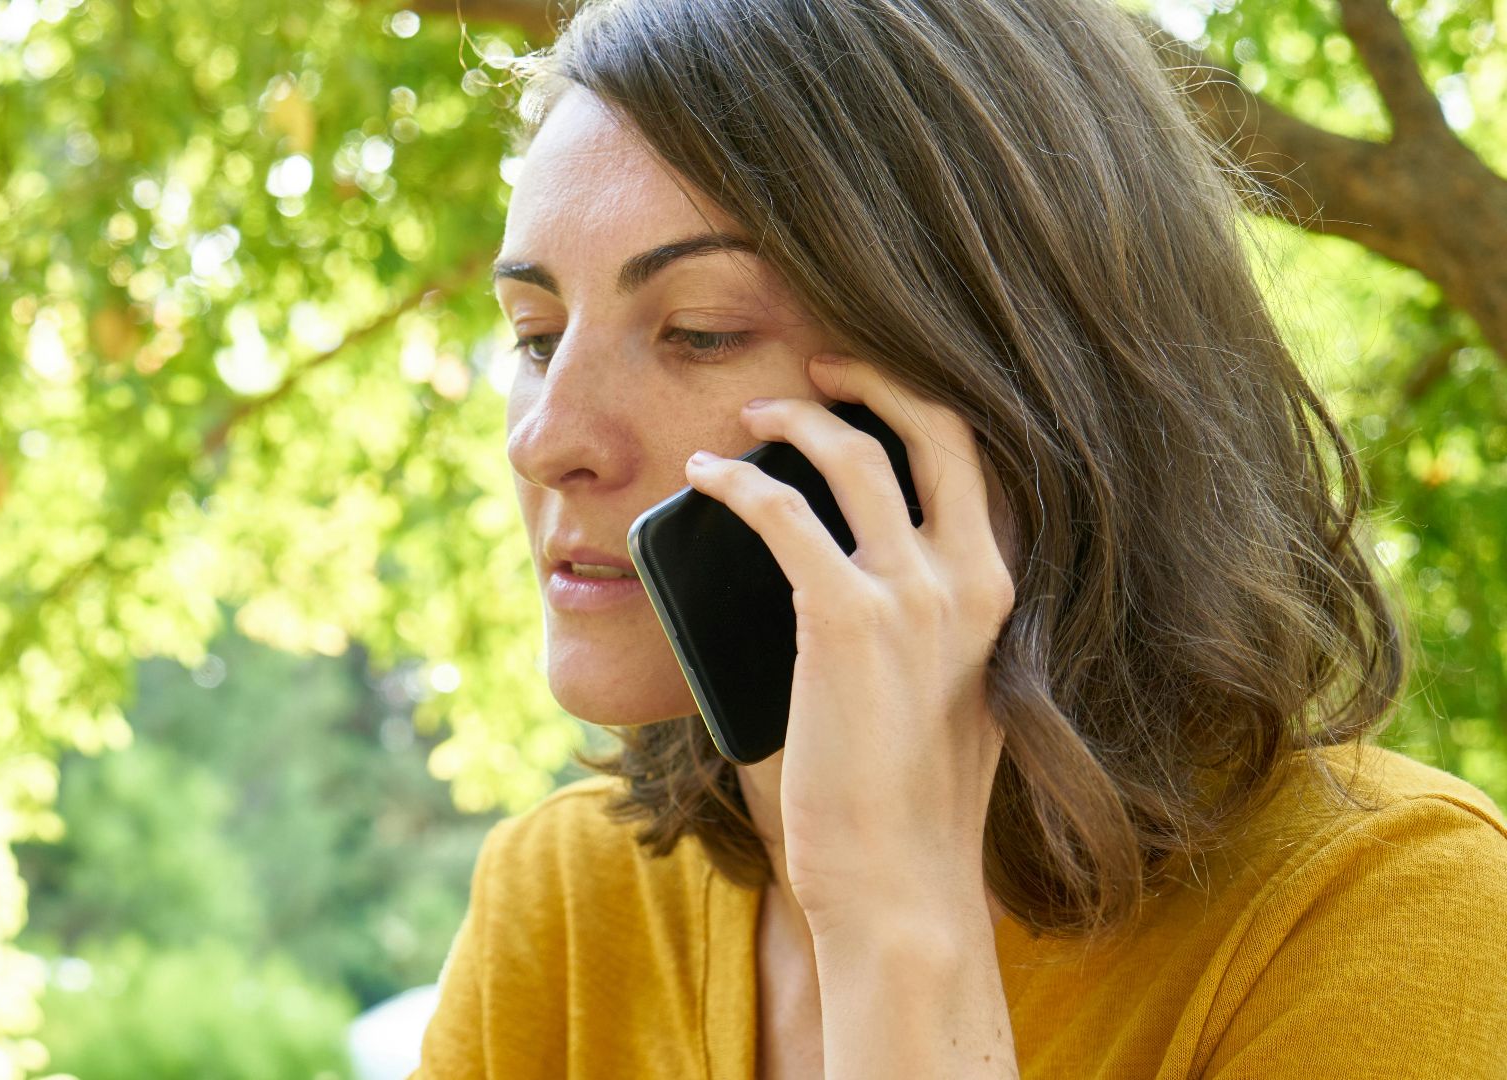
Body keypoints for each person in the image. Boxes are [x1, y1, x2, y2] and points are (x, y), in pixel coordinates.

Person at [413, 0, 1507, 1076]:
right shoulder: (562, 901)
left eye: (700, 332)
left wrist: (896, 919)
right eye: (536, 337)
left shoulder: (1389, 915)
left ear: (1003, 384)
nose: (548, 440)